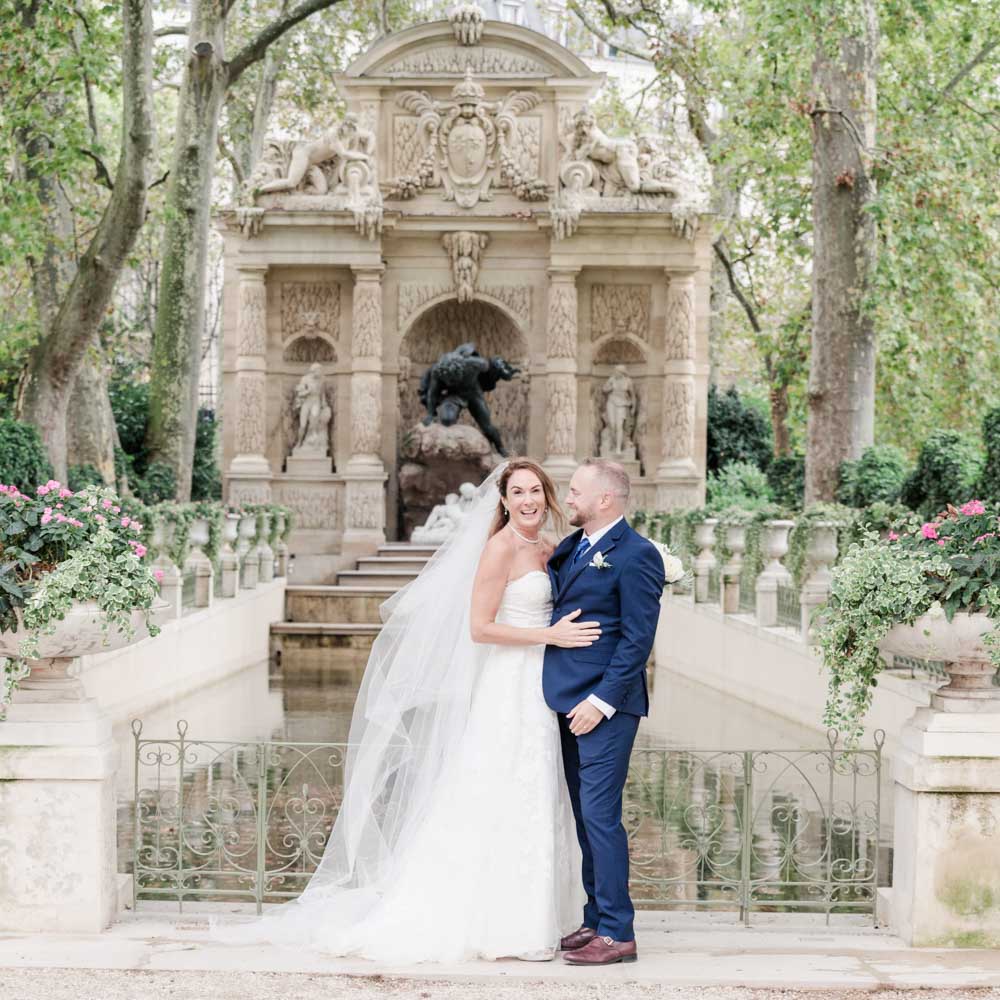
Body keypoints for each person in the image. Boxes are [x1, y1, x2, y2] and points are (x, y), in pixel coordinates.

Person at [214, 459, 597, 961]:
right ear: (503, 500)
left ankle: (539, 916)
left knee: (538, 790)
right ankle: (501, 926)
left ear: (547, 497)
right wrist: (547, 634)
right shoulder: (498, 549)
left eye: (535, 491)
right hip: (508, 685)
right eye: (518, 491)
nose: (527, 500)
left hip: (544, 688)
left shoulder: (551, 548)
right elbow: (479, 628)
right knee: (500, 789)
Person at [544, 458, 666, 966]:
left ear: (604, 501)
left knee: (602, 817)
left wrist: (601, 703)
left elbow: (637, 640)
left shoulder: (637, 555)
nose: (567, 498)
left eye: (575, 492)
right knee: (584, 817)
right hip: (568, 700)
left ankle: (619, 932)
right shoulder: (576, 546)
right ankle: (595, 918)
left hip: (606, 708)